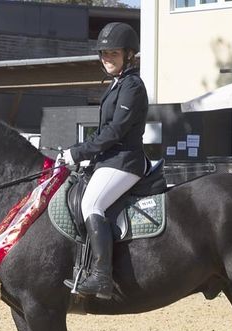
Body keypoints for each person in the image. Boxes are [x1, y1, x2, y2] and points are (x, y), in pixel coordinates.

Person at [61, 22, 148, 300]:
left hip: (125, 160)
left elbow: (116, 131)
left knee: (91, 203)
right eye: (103, 53)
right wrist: (82, 151)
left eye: (112, 53)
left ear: (128, 55)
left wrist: (80, 153)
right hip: (110, 160)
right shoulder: (117, 85)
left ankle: (101, 276)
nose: (106, 58)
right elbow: (102, 131)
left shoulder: (132, 86)